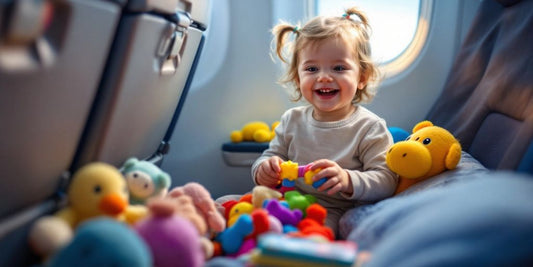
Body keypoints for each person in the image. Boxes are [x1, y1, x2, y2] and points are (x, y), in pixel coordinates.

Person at [251, 6, 398, 237]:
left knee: (313, 236)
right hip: (284, 200)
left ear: (362, 77)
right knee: (226, 204)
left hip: (330, 209)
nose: (324, 77)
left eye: (339, 68)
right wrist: (263, 170)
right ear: (299, 78)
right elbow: (271, 156)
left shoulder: (369, 128)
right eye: (311, 68)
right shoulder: (292, 120)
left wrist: (348, 179)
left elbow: (387, 179)